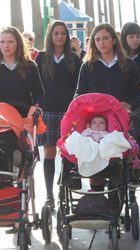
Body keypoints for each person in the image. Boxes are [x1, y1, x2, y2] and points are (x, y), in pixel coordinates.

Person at [36, 20, 81, 209]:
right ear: (50, 35)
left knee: (68, 153)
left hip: (68, 111)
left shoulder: (74, 58)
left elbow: (79, 86)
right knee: (49, 152)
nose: (60, 37)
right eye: (56, 33)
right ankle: (49, 195)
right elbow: (36, 85)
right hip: (47, 111)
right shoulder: (41, 58)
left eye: (63, 33)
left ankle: (64, 189)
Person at [75, 23, 140, 112]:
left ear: (114, 40)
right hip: (95, 119)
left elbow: (137, 94)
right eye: (97, 40)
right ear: (94, 43)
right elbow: (80, 95)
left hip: (122, 118)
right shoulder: (87, 66)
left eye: (105, 38)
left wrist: (130, 104)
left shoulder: (129, 64)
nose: (101, 43)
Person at [0, 26, 44, 109]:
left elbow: (39, 93)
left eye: (10, 42)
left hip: (24, 118)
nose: (6, 45)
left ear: (18, 43)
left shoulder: (30, 66)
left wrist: (37, 107)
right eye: (2, 42)